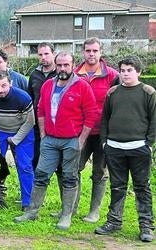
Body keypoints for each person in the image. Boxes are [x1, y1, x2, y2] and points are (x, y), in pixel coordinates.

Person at [14, 51, 98, 230]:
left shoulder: (82, 87)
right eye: (59, 65)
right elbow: (41, 110)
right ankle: (32, 211)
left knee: (69, 177)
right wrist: (44, 136)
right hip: (50, 140)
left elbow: (91, 115)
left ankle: (66, 214)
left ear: (73, 65)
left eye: (66, 65)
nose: (62, 68)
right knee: (41, 174)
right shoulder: (47, 85)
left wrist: (81, 140)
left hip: (71, 141)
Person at [95, 57, 155, 242]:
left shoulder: (149, 92)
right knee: (117, 186)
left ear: (138, 72)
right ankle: (114, 221)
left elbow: (154, 120)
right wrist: (105, 142)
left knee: (142, 187)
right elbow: (105, 118)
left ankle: (146, 226)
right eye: (122, 70)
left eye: (129, 70)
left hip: (139, 149)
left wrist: (149, 144)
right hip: (115, 148)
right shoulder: (112, 92)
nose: (125, 73)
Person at [73, 37, 119, 223]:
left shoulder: (112, 75)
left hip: (102, 132)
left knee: (99, 172)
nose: (91, 54)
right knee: (73, 168)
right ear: (83, 52)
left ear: (100, 52)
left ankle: (94, 211)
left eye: (95, 51)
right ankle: (71, 208)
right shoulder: (75, 74)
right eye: (88, 51)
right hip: (79, 132)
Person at [0, 71, 35, 210]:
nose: (0, 90)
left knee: (25, 166)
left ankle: (28, 202)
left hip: (23, 131)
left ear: (10, 83)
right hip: (0, 130)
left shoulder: (22, 97)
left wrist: (15, 139)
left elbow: (30, 122)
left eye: (4, 86)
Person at [28, 42, 57, 169]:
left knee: (60, 165)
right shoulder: (34, 74)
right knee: (36, 158)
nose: (43, 57)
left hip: (57, 123)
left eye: (46, 53)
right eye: (40, 54)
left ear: (53, 54)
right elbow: (30, 98)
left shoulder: (61, 73)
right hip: (37, 123)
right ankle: (37, 187)